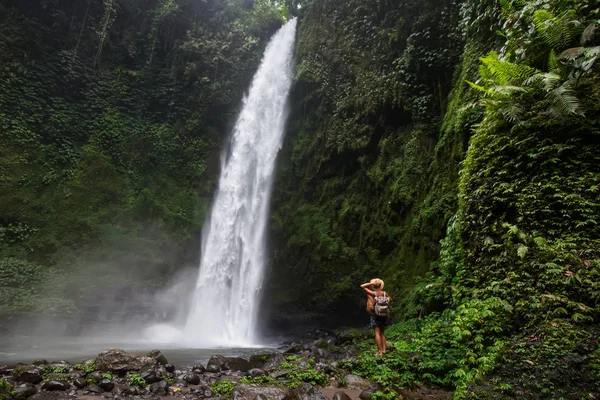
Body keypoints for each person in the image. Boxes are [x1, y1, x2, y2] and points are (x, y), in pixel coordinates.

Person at [360, 278, 392, 356]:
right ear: (381, 285)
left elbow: (362, 286)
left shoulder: (373, 293)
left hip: (375, 314)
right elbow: (390, 299)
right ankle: (384, 350)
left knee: (377, 333)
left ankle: (379, 351)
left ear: (374, 286)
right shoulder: (384, 293)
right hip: (384, 314)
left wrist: (371, 284)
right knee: (382, 333)